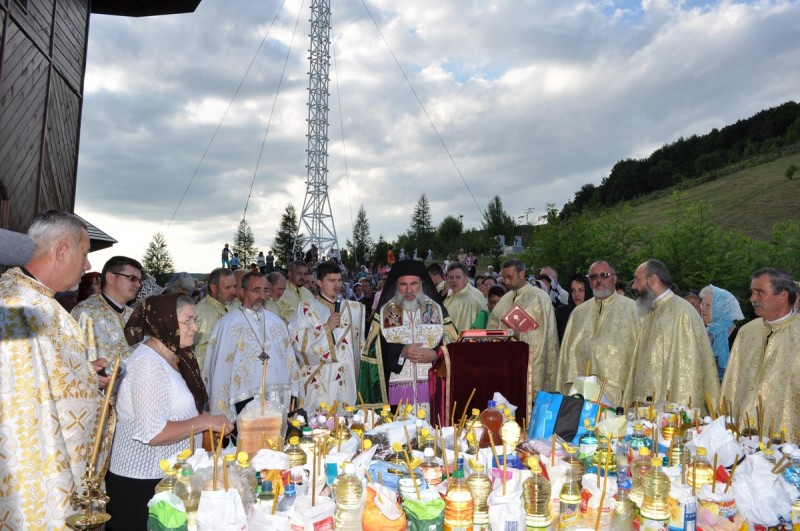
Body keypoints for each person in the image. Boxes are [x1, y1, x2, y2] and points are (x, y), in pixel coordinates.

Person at [0, 210, 104, 528]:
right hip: (41, 489)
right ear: (61, 250)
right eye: (84, 253)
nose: (87, 265)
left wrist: (85, 374)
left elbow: (40, 378)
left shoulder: (38, 301)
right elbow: (20, 415)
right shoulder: (17, 307)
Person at [108, 294, 232, 530]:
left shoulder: (175, 356)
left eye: (195, 319)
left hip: (167, 478)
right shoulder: (148, 365)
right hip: (143, 484)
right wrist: (204, 421)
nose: (195, 327)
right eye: (188, 321)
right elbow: (153, 433)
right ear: (165, 321)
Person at [357, 260, 457, 415]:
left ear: (422, 284)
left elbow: (453, 345)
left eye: (414, 284)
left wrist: (435, 354)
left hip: (433, 386)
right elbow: (374, 350)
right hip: (396, 389)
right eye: (403, 284)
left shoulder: (436, 310)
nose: (409, 290)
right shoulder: (385, 312)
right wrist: (400, 351)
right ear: (396, 286)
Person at [203, 272, 303, 421]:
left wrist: (295, 393)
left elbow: (290, 362)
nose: (262, 296)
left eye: (265, 290)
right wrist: (221, 412)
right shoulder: (227, 324)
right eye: (256, 290)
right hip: (244, 400)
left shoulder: (277, 322)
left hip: (278, 399)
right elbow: (220, 371)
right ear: (241, 292)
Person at [626, 259, 719, 410]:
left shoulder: (681, 312)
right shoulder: (651, 311)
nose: (633, 286)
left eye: (637, 280)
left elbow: (687, 369)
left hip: (668, 408)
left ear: (652, 280)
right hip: (646, 406)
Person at [720, 268, 799, 432]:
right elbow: (732, 382)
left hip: (785, 432)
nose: (752, 298)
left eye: (760, 292)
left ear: (783, 296)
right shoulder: (747, 332)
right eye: (752, 292)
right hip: (742, 428)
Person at [556, 261, 638, 406]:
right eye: (594, 277)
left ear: (614, 278)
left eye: (604, 275)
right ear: (590, 281)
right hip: (581, 390)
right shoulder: (578, 312)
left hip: (616, 388)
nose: (599, 280)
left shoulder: (632, 309)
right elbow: (566, 355)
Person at [288, 262, 364, 415]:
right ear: (319, 282)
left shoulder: (353, 309)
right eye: (331, 280)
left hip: (346, 379)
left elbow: (361, 346)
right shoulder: (306, 308)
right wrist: (326, 329)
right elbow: (297, 343)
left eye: (339, 280)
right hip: (319, 380)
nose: (336, 285)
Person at [488, 259, 559, 392]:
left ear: (522, 274)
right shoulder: (505, 299)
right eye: (504, 277)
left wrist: (519, 334)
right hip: (504, 365)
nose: (507, 282)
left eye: (510, 277)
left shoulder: (539, 298)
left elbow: (544, 337)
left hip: (528, 366)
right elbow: (492, 326)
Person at [72, 255, 143, 362]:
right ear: (111, 278)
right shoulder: (85, 313)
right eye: (132, 278)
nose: (138, 285)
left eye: (139, 281)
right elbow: (78, 362)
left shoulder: (135, 315)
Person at [194, 268, 237, 369]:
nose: (233, 291)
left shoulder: (238, 306)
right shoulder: (199, 314)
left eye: (234, 286)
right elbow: (198, 355)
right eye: (228, 287)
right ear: (213, 288)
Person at [699, 284, 744, 381]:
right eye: (702, 304)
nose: (702, 308)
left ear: (721, 308)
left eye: (708, 305)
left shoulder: (742, 337)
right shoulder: (702, 334)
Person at [444, 262, 487, 333]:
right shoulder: (453, 293)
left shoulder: (469, 300)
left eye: (458, 277)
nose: (454, 280)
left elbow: (465, 330)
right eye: (451, 277)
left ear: (466, 279)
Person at [555, 273, 593, 342]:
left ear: (588, 291)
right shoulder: (562, 313)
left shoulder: (596, 314)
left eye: (581, 290)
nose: (576, 294)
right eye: (573, 290)